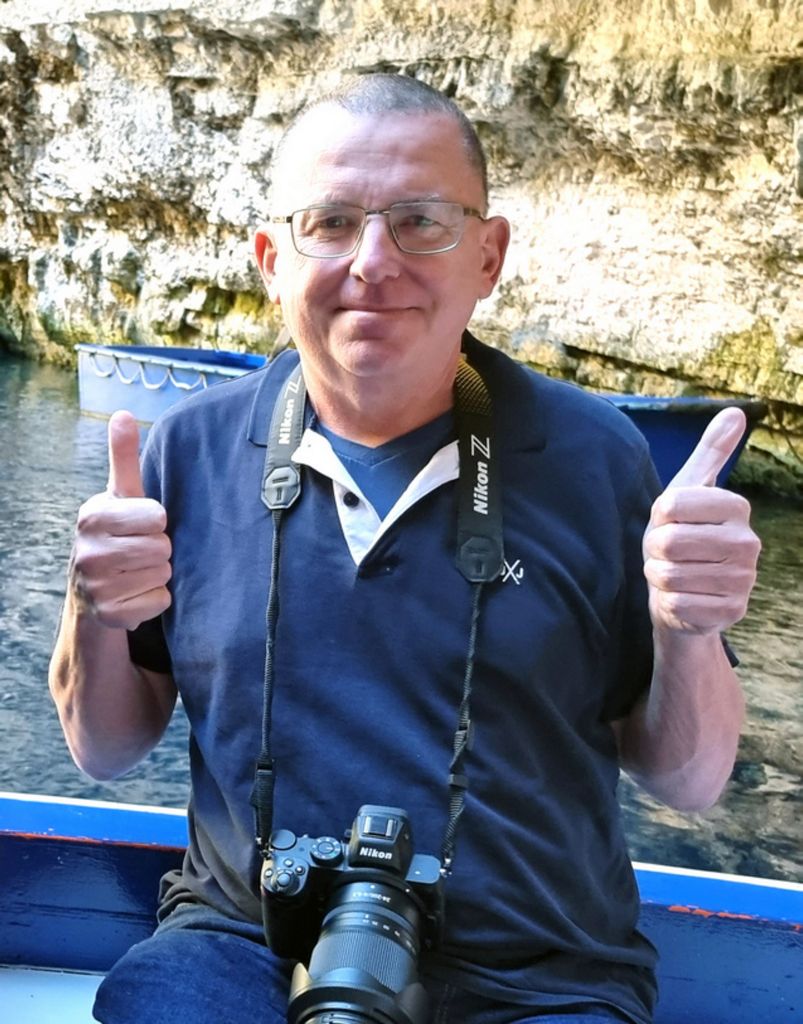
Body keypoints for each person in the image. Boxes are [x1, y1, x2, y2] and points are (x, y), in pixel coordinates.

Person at [49, 73, 760, 1024]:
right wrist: (93, 607)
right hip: (245, 939)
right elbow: (102, 749)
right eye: (331, 222)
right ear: (271, 256)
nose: (373, 261)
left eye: (420, 221)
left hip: (537, 966)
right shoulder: (184, 454)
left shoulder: (597, 459)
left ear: (488, 255)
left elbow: (688, 779)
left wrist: (689, 627)